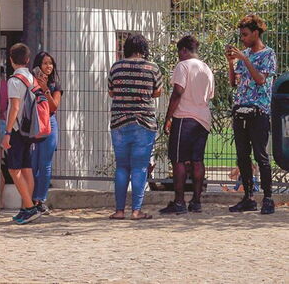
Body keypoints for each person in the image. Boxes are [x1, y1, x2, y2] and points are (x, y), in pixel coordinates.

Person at [226, 14, 278, 215]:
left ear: (256, 33)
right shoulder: (243, 55)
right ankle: (248, 197)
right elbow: (234, 83)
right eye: (241, 35)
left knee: (261, 155)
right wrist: (231, 63)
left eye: (246, 35)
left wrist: (245, 59)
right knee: (242, 156)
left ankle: (268, 197)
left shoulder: (268, 54)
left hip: (259, 111)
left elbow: (260, 80)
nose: (243, 39)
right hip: (241, 109)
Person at [108, 34, 162, 220]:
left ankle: (119, 210)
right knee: (139, 168)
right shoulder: (152, 68)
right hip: (144, 123)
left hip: (119, 122)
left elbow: (111, 91)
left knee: (122, 167)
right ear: (144, 48)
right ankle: (136, 211)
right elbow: (157, 92)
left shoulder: (116, 67)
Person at [160, 35, 214, 215]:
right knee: (197, 160)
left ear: (183, 50)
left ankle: (179, 202)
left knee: (179, 159)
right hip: (203, 119)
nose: (178, 56)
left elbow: (178, 92)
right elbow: (210, 95)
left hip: (184, 117)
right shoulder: (206, 68)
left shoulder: (182, 66)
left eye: (178, 52)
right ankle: (196, 202)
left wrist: (168, 117)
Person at [1, 43, 43, 225]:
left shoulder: (14, 80)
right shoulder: (32, 78)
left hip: (18, 129)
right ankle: (27, 206)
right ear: (27, 60)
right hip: (31, 129)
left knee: (13, 169)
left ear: (11, 60)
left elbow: (14, 107)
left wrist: (7, 132)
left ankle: (29, 207)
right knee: (27, 168)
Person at [30, 51, 62, 215]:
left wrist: (45, 90)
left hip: (49, 122)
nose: (48, 66)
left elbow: (54, 106)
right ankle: (30, 200)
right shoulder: (30, 82)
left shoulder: (55, 85)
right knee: (32, 164)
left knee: (45, 164)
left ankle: (40, 199)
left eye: (50, 63)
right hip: (33, 123)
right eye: (44, 63)